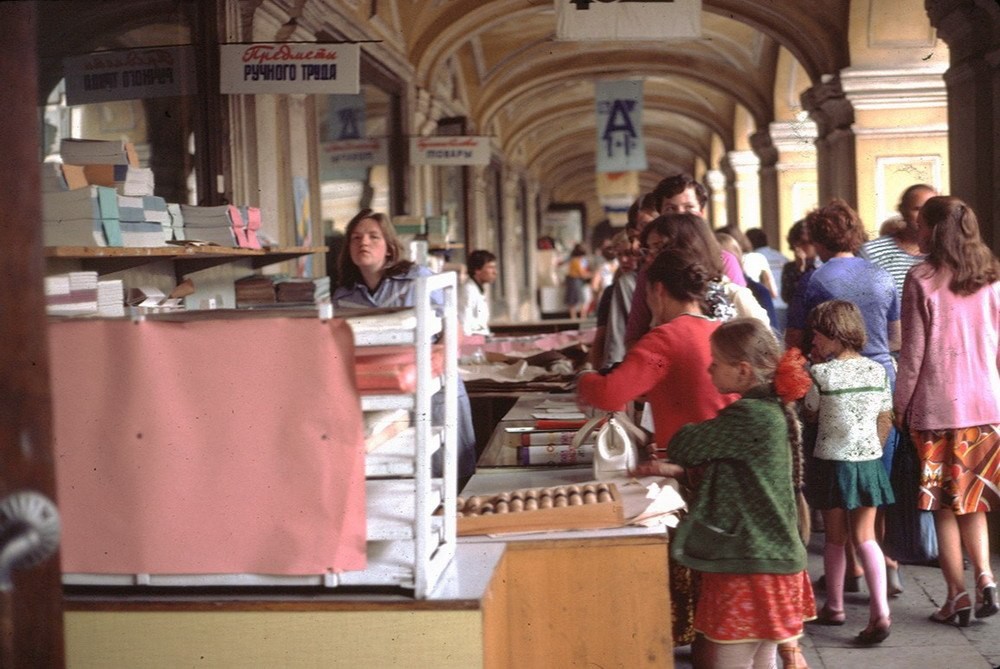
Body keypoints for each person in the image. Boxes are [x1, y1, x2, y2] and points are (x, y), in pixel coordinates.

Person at [640, 318, 815, 669]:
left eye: (716, 362)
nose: (708, 368)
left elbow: (685, 444)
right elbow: (743, 472)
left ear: (742, 371)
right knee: (762, 658)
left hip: (750, 564)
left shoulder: (748, 415)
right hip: (769, 558)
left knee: (731, 661)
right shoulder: (771, 411)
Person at [894, 196, 1000, 626]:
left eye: (921, 225)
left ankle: (956, 595)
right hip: (986, 408)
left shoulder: (920, 278)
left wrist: (899, 408)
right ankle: (987, 579)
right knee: (974, 503)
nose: (916, 231)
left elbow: (914, 355)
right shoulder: (990, 277)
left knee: (943, 507)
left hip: (937, 412)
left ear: (936, 231)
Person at [332, 209, 478, 485]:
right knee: (399, 477)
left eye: (373, 236)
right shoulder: (344, 296)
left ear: (389, 247)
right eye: (355, 237)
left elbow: (454, 327)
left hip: (433, 390)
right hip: (382, 397)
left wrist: (438, 359)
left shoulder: (418, 279)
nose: (363, 242)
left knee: (447, 478)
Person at [803, 300, 894, 644]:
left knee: (836, 539)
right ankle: (881, 611)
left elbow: (811, 413)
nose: (815, 343)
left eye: (818, 337)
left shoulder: (821, 374)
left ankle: (836, 607)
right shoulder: (877, 371)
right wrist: (872, 447)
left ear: (835, 336)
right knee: (867, 537)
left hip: (831, 462)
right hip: (869, 462)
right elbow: (885, 417)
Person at [623, 174, 747, 349]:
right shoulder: (651, 266)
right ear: (660, 215)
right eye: (671, 209)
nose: (680, 216)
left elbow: (744, 325)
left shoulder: (724, 260)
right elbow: (635, 333)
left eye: (688, 208)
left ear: (701, 213)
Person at [859, 184, 936, 295]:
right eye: (917, 209)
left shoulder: (948, 253)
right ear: (902, 210)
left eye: (931, 210)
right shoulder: (871, 252)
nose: (924, 216)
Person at [589, 231, 639, 371]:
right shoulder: (611, 291)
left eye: (629, 254)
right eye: (619, 254)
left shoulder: (653, 287)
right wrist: (598, 372)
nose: (623, 260)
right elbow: (601, 338)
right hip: (622, 366)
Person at [460, 249, 497, 336]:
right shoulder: (467, 291)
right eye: (490, 268)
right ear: (477, 270)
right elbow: (463, 324)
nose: (495, 272)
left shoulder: (477, 289)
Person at [564, 242, 591, 319]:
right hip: (575, 280)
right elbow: (582, 273)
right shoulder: (577, 261)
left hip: (574, 280)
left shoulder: (576, 260)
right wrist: (592, 274)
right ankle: (579, 317)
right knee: (576, 300)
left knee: (574, 300)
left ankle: (576, 317)